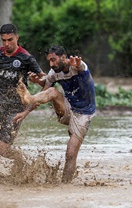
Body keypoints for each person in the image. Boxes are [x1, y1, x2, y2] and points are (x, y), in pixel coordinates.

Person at [17, 46, 96, 183]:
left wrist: (78, 64)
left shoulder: (78, 66)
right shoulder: (54, 72)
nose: (51, 64)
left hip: (83, 114)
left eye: (53, 60)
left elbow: (81, 66)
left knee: (70, 154)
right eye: (49, 61)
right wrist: (26, 112)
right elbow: (45, 92)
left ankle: (65, 185)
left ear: (64, 57)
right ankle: (29, 97)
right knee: (52, 91)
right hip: (67, 109)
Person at [0, 24, 45, 176]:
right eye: (3, 40)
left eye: (10, 40)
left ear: (17, 37)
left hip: (15, 110)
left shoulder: (26, 58)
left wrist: (36, 82)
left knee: (3, 150)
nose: (6, 44)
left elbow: (46, 81)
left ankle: (21, 161)